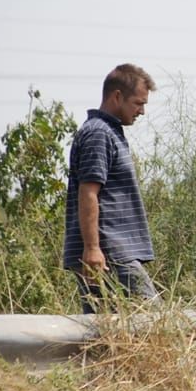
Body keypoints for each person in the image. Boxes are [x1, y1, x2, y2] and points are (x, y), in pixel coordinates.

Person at [63, 64, 159, 313]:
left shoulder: (108, 132)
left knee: (109, 329)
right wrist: (92, 249)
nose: (142, 111)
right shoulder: (99, 134)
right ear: (117, 96)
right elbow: (88, 193)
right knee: (154, 321)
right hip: (110, 253)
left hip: (111, 253)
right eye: (138, 103)